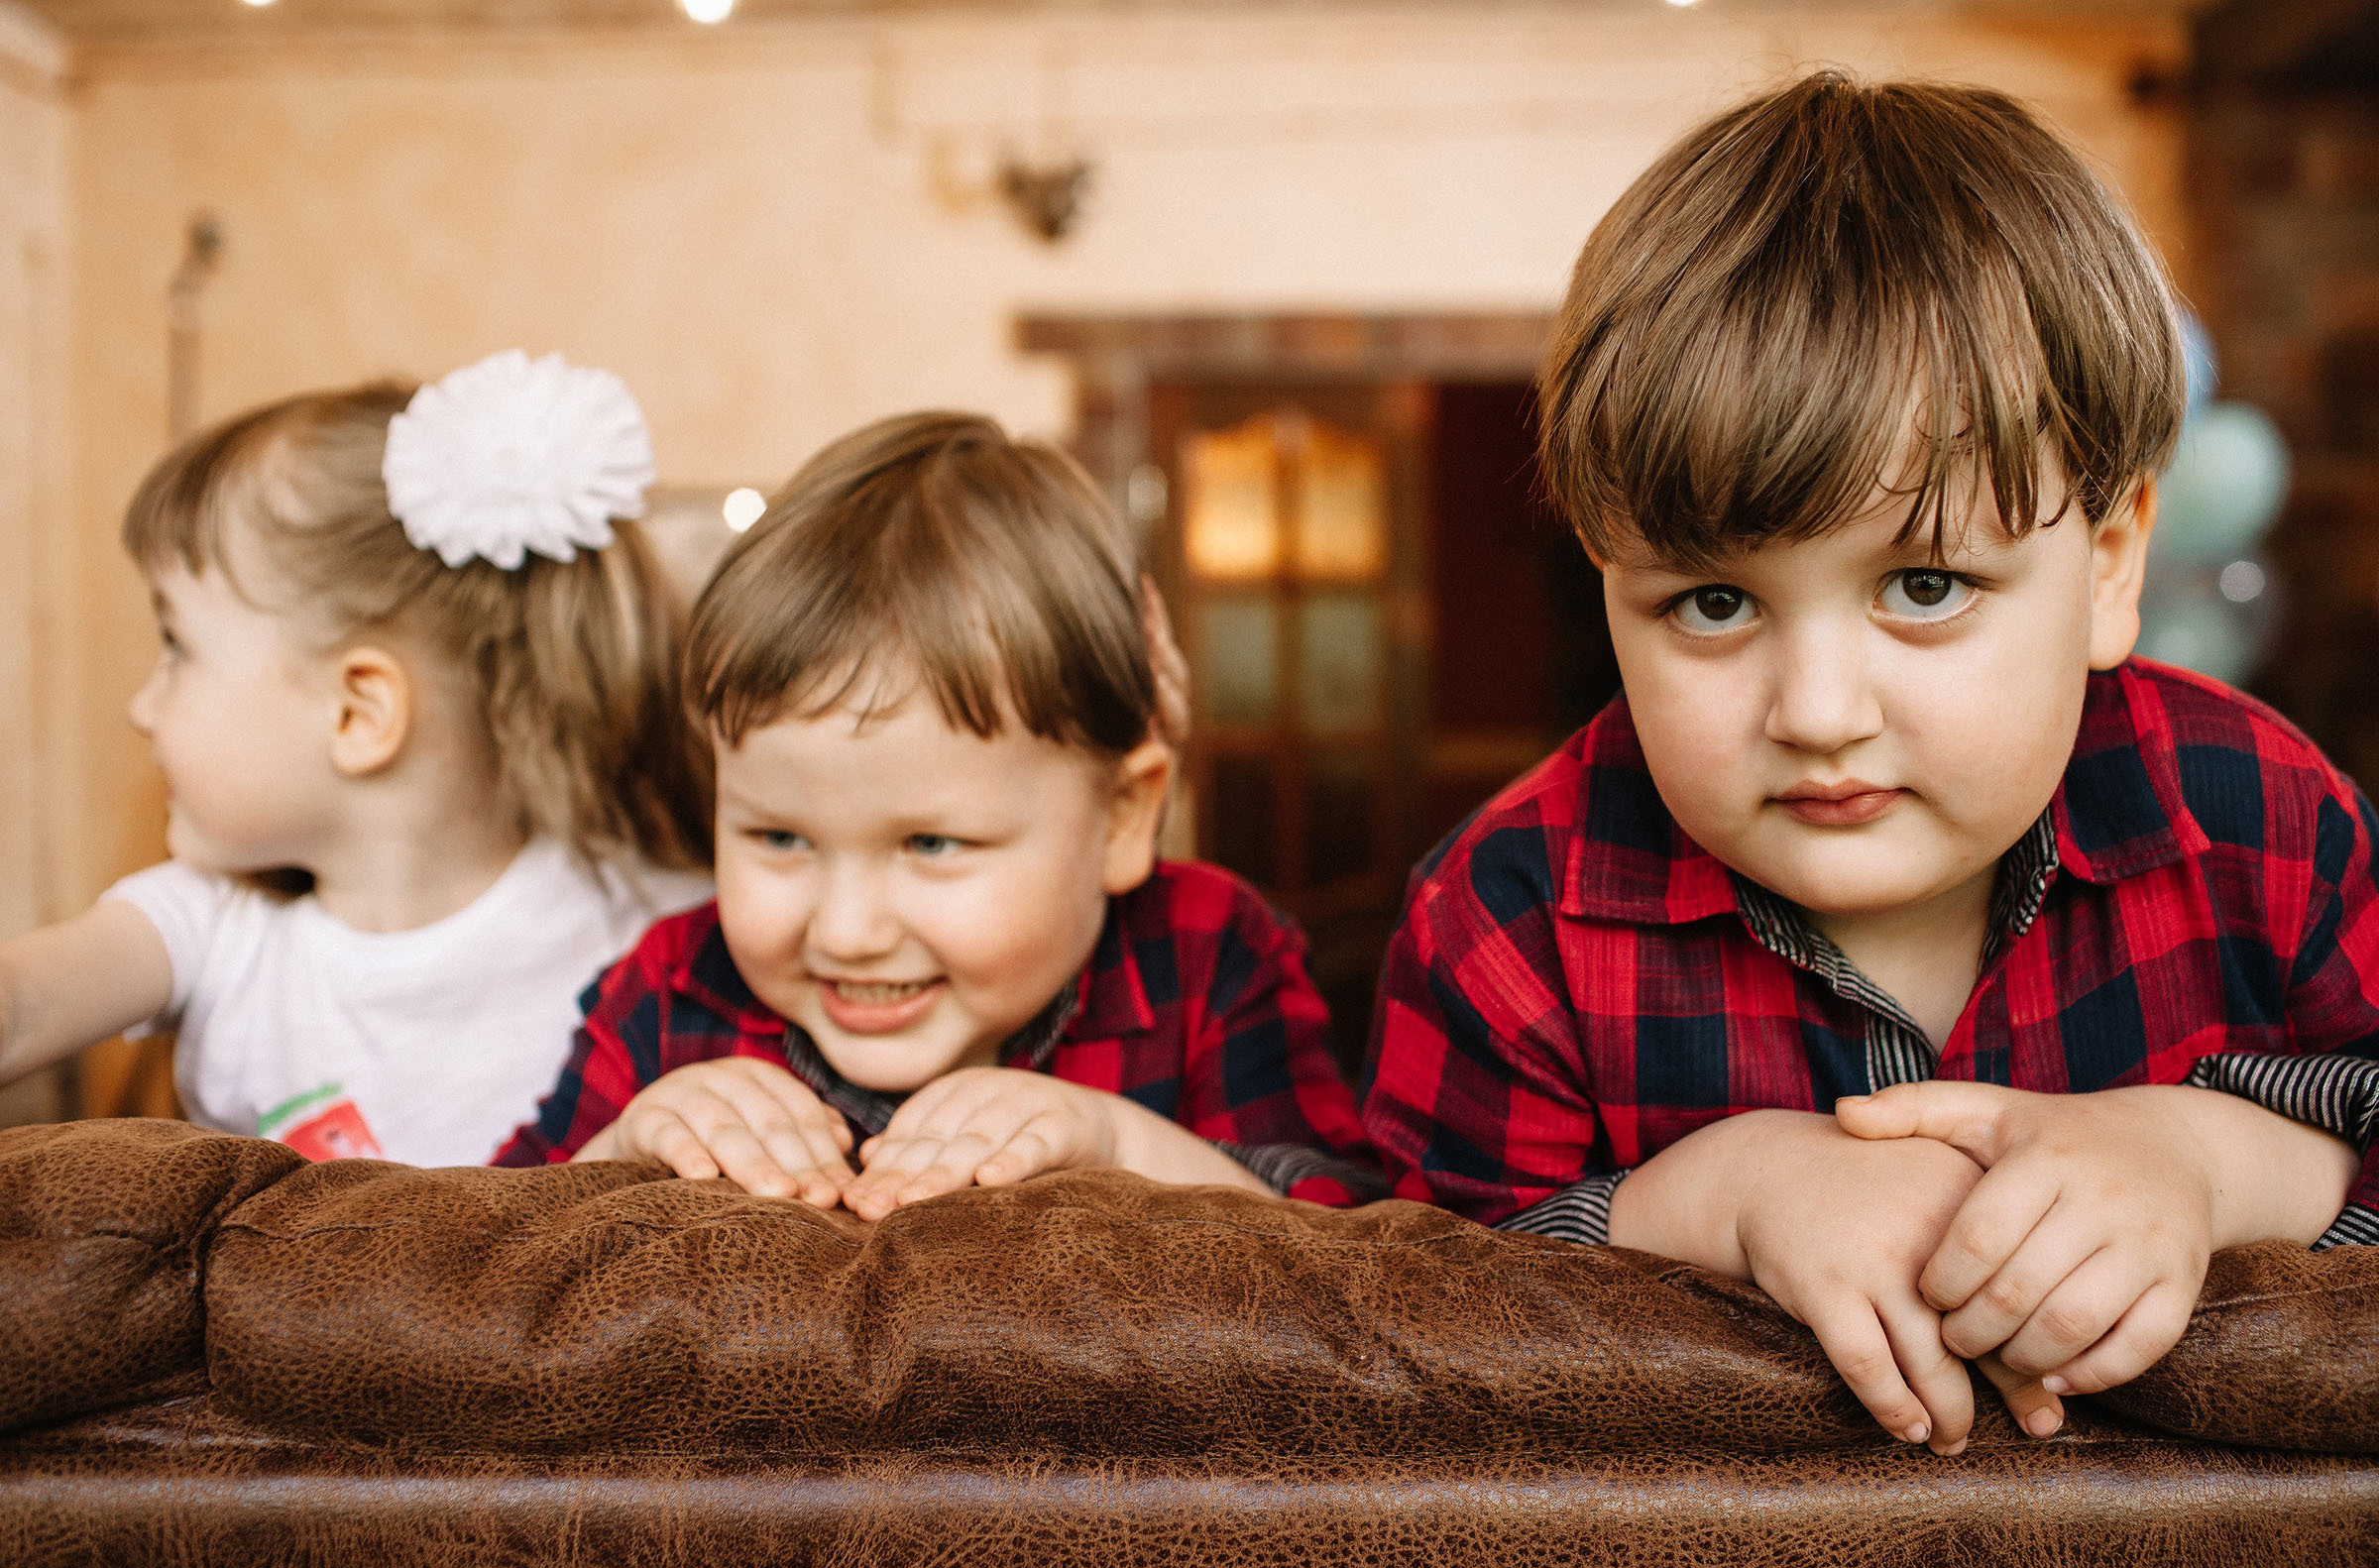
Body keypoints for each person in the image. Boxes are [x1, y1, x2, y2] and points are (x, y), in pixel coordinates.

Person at [1361, 73, 2379, 1459]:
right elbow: (1397, 1355)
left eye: (1926, 585)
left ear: (2111, 563)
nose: (1819, 712)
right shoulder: (1506, 922)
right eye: (1713, 602)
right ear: (1606, 580)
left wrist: (2202, 1161)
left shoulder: (2263, 819)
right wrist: (1717, 1198)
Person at [496, 411, 1380, 1218]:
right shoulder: (670, 994)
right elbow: (476, 1262)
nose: (846, 933)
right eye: (778, 836)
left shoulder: (1209, 958)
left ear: (1121, 817)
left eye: (930, 842)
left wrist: (1118, 1143)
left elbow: (1346, 1266)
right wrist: (622, 1151)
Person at [0, 351, 713, 1166]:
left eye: (177, 647)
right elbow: (20, 1009)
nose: (140, 708)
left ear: (359, 712)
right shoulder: (210, 925)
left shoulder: (655, 934)